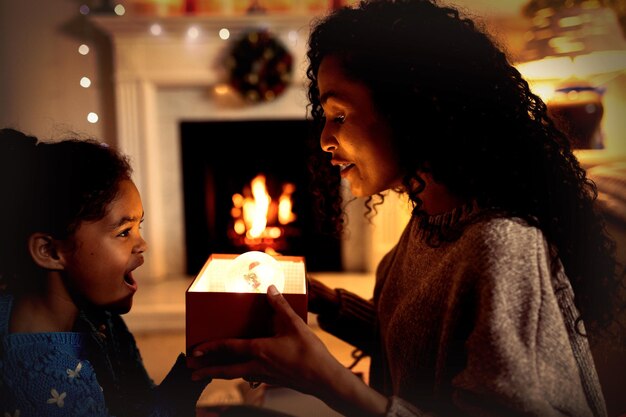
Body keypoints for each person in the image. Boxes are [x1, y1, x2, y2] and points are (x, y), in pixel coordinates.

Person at [188, 0, 625, 416]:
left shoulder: (501, 245)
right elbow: (411, 339)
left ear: (410, 112)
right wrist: (328, 302)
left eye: (338, 114)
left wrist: (325, 379)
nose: (324, 139)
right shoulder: (431, 219)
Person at [0, 128, 209, 417]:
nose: (143, 244)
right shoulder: (49, 384)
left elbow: (139, 404)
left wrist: (196, 367)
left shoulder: (96, 315)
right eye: (124, 232)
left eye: (139, 227)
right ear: (49, 251)